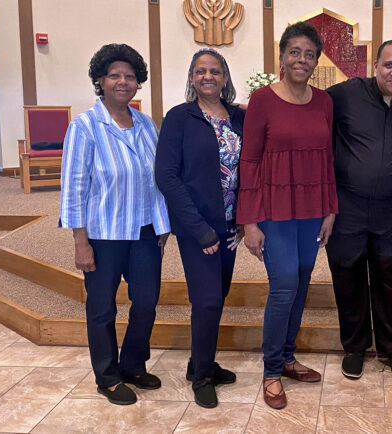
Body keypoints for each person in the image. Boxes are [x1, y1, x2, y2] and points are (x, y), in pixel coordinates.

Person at [59, 43, 170, 406]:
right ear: (100, 81)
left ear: (138, 82)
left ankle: (133, 364)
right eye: (114, 75)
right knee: (103, 307)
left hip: (144, 232)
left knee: (147, 301)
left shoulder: (146, 123)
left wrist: (162, 224)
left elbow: (156, 178)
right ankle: (107, 376)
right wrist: (80, 241)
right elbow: (75, 186)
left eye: (130, 76)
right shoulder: (85, 127)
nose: (123, 81)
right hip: (104, 234)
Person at [237, 21, 337, 410]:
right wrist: (249, 222)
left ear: (316, 60)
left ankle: (289, 357)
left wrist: (330, 209)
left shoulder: (324, 102)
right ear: (281, 57)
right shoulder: (263, 99)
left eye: (309, 53)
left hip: (312, 208)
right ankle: (271, 370)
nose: (302, 59)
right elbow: (250, 160)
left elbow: (327, 159)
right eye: (294, 52)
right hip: (274, 209)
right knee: (283, 286)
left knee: (302, 279)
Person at [325, 40, 392, 381]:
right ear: (375, 65)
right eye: (389, 65)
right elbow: (303, 106)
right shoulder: (345, 94)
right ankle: (354, 347)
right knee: (348, 275)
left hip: (391, 207)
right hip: (347, 205)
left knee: (390, 277)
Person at [155, 48, 243, 408]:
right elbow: (167, 176)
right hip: (199, 229)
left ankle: (199, 362)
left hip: (231, 226)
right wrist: (197, 228)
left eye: (215, 71)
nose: (208, 76)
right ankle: (203, 377)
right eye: (200, 71)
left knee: (217, 295)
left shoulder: (239, 117)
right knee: (205, 301)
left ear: (225, 78)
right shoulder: (179, 118)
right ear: (192, 78)